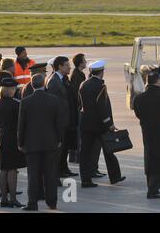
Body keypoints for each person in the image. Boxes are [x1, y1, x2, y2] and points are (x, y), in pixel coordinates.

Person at [18, 74, 63, 211]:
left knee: (33, 175)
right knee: (50, 174)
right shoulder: (54, 100)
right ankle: (52, 202)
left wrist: (20, 142)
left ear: (32, 85)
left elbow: (21, 125)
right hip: (50, 143)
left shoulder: (25, 102)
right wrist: (59, 139)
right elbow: (58, 123)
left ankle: (32, 203)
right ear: (44, 85)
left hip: (32, 144)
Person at [79, 60, 125, 188]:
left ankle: (85, 179)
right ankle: (115, 176)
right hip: (99, 125)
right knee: (109, 150)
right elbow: (102, 107)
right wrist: (109, 123)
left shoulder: (84, 84)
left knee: (85, 153)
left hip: (86, 124)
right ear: (101, 72)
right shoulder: (100, 86)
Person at [46, 56, 78, 178]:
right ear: (59, 66)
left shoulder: (64, 79)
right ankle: (58, 171)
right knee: (60, 148)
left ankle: (64, 168)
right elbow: (54, 104)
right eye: (66, 65)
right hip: (60, 122)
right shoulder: (54, 81)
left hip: (67, 120)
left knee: (65, 147)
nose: (69, 67)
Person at [0, 78, 26, 208]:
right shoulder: (17, 104)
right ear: (11, 89)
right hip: (13, 138)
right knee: (12, 170)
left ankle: (3, 199)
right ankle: (12, 198)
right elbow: (22, 124)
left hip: (1, 137)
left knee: (3, 169)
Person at [68, 53, 87, 164]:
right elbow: (77, 94)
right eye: (84, 60)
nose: (86, 62)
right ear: (80, 63)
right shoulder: (77, 75)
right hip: (78, 109)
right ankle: (77, 158)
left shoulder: (79, 73)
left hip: (78, 108)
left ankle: (74, 157)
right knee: (79, 134)